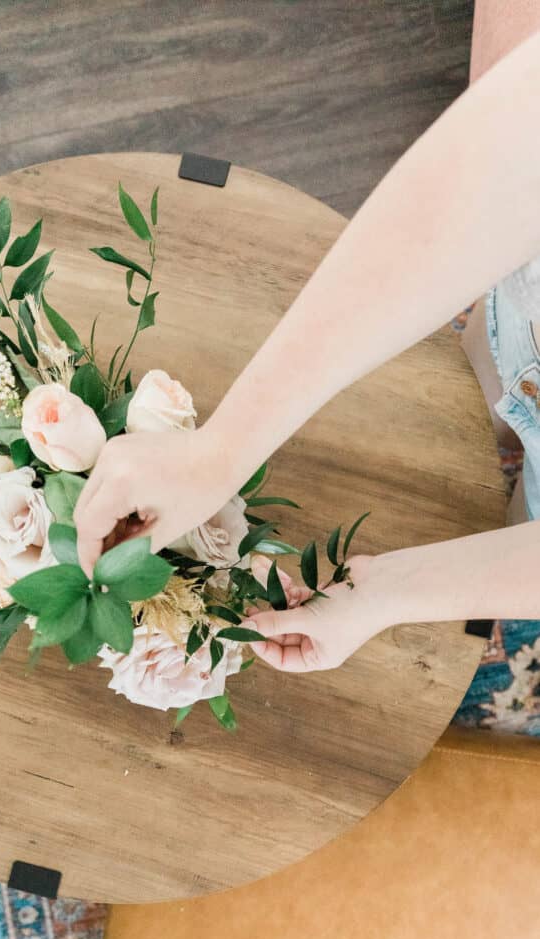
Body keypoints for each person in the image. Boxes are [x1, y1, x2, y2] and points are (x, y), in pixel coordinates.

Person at [75, 4, 540, 673]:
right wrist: (222, 449)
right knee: (477, 388)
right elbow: (507, 149)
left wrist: (385, 593)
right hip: (519, 304)